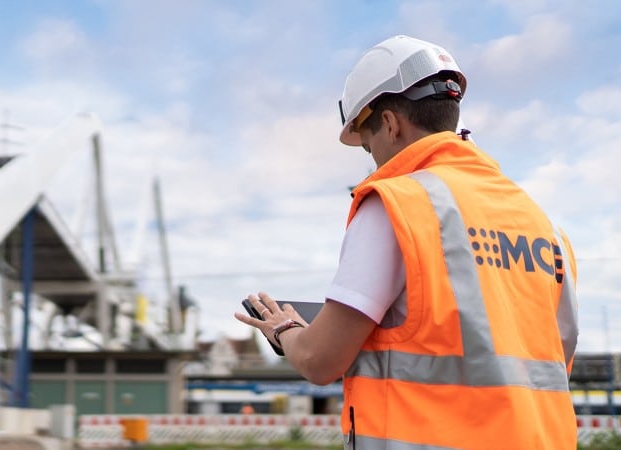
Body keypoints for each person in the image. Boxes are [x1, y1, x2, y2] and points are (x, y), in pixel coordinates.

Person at [234, 35, 578, 450]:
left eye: (367, 142)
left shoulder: (397, 204)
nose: (373, 159)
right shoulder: (545, 228)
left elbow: (321, 359)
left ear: (391, 124)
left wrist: (285, 329)